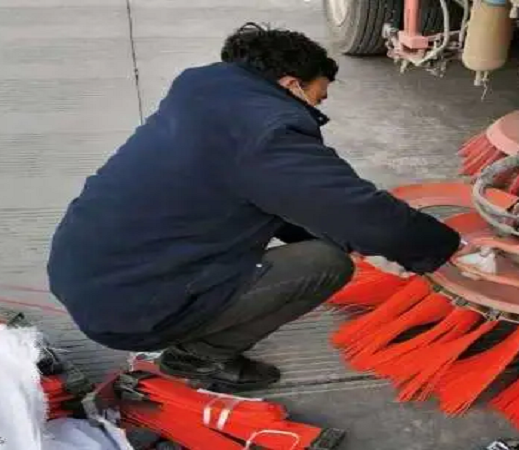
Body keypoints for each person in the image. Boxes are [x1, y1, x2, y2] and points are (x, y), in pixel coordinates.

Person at [47, 22, 461, 391]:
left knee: (322, 237)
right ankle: (198, 357)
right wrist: (448, 249)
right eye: (317, 98)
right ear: (290, 84)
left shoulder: (202, 92)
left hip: (84, 269)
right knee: (326, 264)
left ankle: (194, 320)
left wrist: (348, 236)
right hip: (129, 310)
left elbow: (274, 196)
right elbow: (365, 215)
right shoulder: (268, 134)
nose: (317, 109)